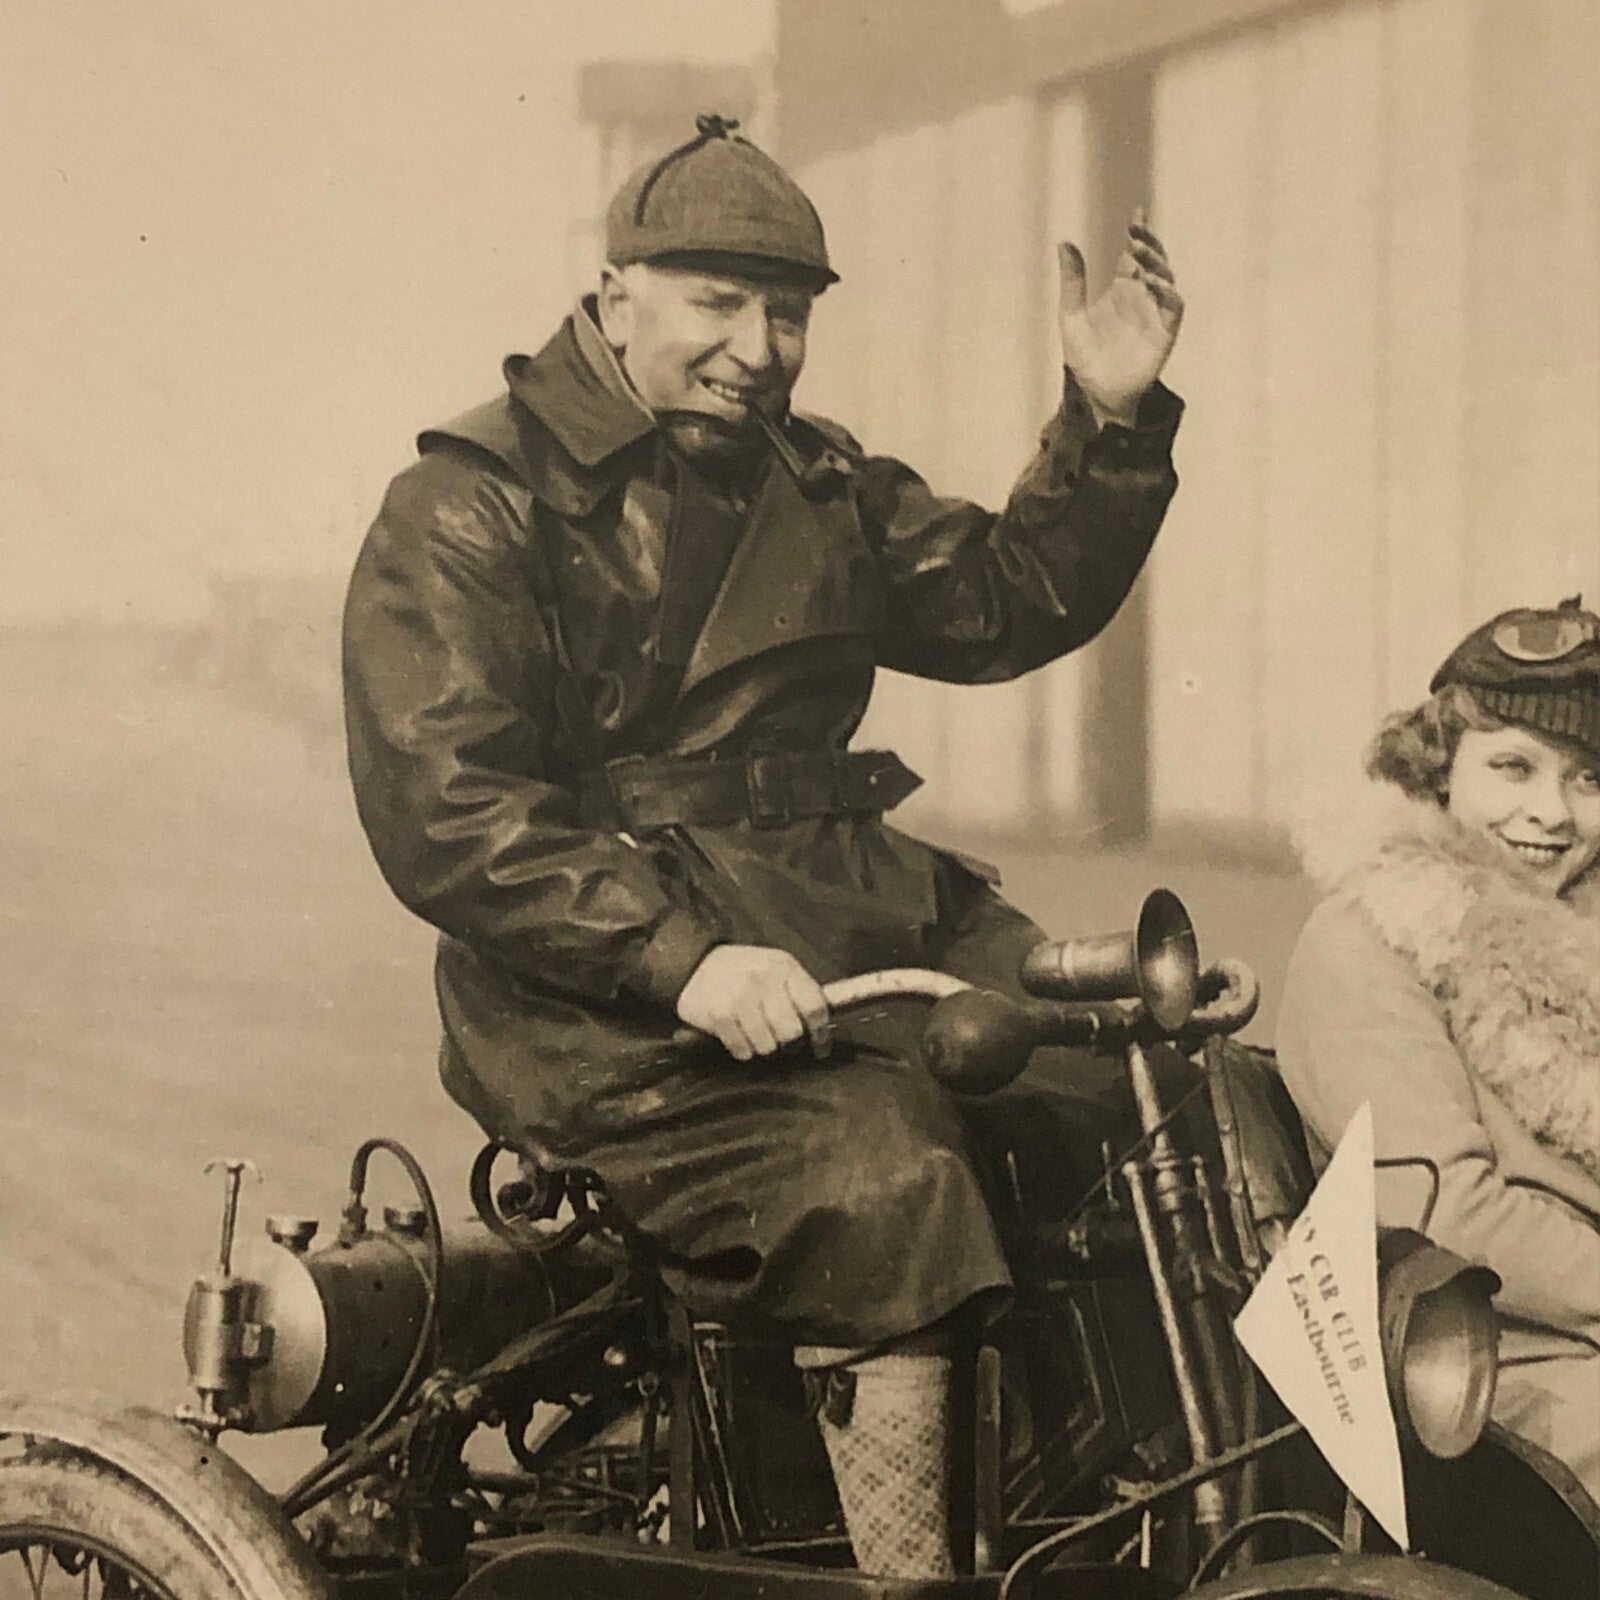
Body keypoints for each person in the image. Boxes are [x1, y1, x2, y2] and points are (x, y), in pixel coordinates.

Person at [342, 113, 1184, 1576]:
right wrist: (678, 960)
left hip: (847, 918)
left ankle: (1111, 1529)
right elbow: (449, 804)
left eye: (786, 311)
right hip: (596, 996)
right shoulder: (469, 501)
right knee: (890, 1175)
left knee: (1149, 1090)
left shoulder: (819, 482)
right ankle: (913, 1571)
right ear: (615, 299)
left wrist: (1106, 422)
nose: (758, 345)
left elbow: (1004, 599)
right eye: (717, 303)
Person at [1277, 597, 1600, 1507]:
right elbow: (1446, 1205)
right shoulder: (1374, 933)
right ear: (1437, 768)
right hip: (1483, 1369)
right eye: (1512, 767)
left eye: (1588, 779)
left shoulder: (1579, 937)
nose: (1551, 813)